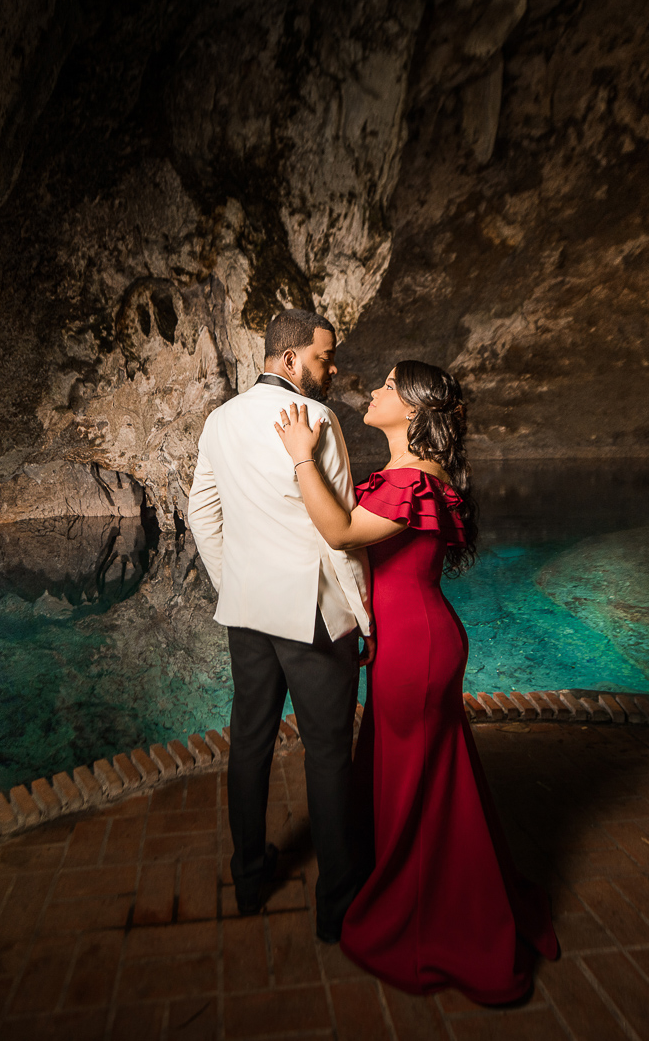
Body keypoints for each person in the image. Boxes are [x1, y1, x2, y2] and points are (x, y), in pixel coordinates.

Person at [273, 359, 560, 1004]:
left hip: (419, 648)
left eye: (386, 386)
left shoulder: (416, 483)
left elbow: (342, 531)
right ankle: (455, 897)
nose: (373, 391)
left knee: (418, 782)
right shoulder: (404, 478)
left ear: (411, 408)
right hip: (410, 641)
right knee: (423, 775)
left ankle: (436, 919)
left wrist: (302, 458)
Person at [186, 308, 373, 942]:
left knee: (250, 742)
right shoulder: (317, 422)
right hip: (315, 618)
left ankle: (247, 876)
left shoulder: (219, 421)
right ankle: (337, 905)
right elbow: (341, 532)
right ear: (289, 360)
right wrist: (364, 618)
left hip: (248, 614)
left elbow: (201, 515)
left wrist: (233, 584)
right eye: (324, 358)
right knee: (327, 755)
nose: (332, 368)